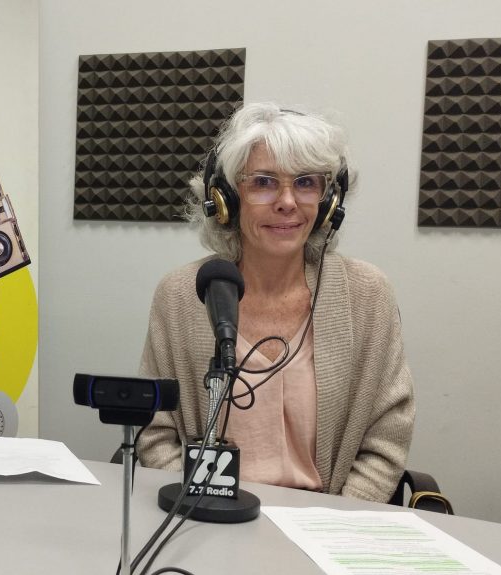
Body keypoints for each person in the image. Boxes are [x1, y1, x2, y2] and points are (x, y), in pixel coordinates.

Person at [137, 102, 414, 502]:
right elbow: (156, 432)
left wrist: (338, 520)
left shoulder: (367, 294)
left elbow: (387, 437)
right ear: (226, 199)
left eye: (306, 183)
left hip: (327, 521)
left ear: (329, 201)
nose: (287, 201)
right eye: (264, 182)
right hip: (206, 514)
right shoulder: (181, 295)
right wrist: (197, 507)